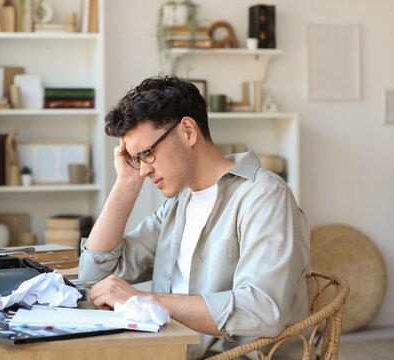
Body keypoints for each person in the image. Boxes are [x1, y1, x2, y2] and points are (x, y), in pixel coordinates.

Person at [78, 76, 310, 359]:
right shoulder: (179, 204)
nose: (143, 170)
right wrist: (126, 183)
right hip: (169, 350)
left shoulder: (264, 196)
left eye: (147, 154)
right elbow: (94, 275)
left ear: (188, 131)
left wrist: (144, 299)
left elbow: (261, 309)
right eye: (136, 159)